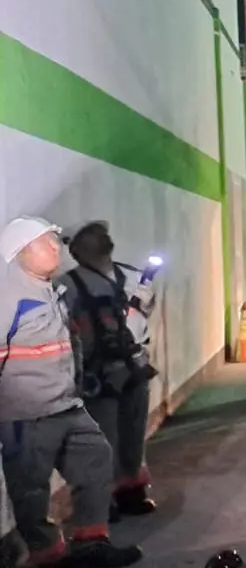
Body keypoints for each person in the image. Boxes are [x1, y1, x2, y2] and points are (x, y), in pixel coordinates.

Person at [0, 216, 142, 568]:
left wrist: (77, 386)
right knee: (31, 491)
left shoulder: (52, 291)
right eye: (47, 242)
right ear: (21, 251)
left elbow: (71, 345)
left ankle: (91, 543)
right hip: (25, 415)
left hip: (66, 405)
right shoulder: (6, 297)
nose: (56, 248)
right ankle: (52, 563)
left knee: (96, 462)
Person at [60, 222, 157, 520]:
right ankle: (105, 503)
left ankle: (131, 492)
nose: (104, 239)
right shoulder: (68, 285)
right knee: (103, 440)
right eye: (94, 235)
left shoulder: (129, 275)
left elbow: (144, 314)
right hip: (98, 374)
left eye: (104, 234)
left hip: (132, 367)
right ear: (77, 248)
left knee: (132, 435)